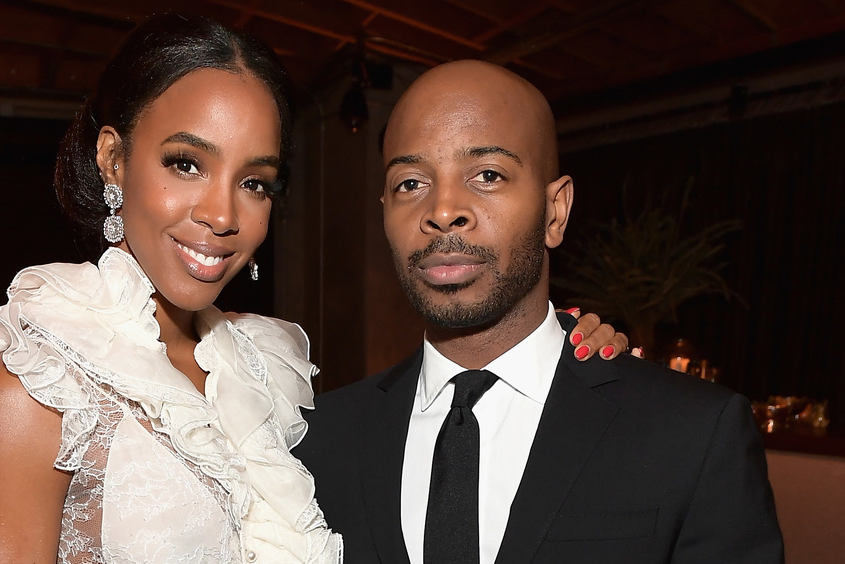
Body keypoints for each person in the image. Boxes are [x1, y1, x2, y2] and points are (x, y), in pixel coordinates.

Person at [0, 16, 622, 564]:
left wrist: (563, 361)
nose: (223, 214)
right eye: (186, 162)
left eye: (254, 180)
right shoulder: (35, 386)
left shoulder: (266, 372)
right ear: (113, 157)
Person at [294, 60, 783, 564]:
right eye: (410, 183)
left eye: (487, 174)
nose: (441, 210)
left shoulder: (694, 435)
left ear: (555, 212)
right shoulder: (322, 438)